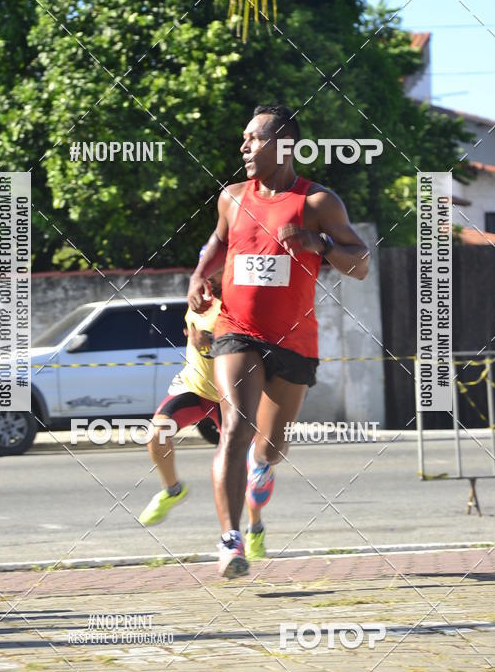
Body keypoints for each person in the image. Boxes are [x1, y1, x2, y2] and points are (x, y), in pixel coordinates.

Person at [188, 104, 370, 578]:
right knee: (236, 428)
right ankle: (230, 541)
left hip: (294, 340)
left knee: (270, 445)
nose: (243, 146)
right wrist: (199, 274)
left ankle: (263, 467)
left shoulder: (317, 203)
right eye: (243, 138)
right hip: (237, 330)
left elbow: (361, 261)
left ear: (283, 145)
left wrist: (321, 246)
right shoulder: (232, 197)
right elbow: (219, 242)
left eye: (253, 138)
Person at [138, 253, 223, 526]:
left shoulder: (237, 304)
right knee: (156, 434)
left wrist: (210, 345)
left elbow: (246, 351)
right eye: (205, 268)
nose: (209, 275)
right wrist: (196, 340)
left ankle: (250, 529)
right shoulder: (198, 300)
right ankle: (173, 490)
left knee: (239, 466)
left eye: (215, 268)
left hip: (228, 398)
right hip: (194, 389)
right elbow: (197, 339)